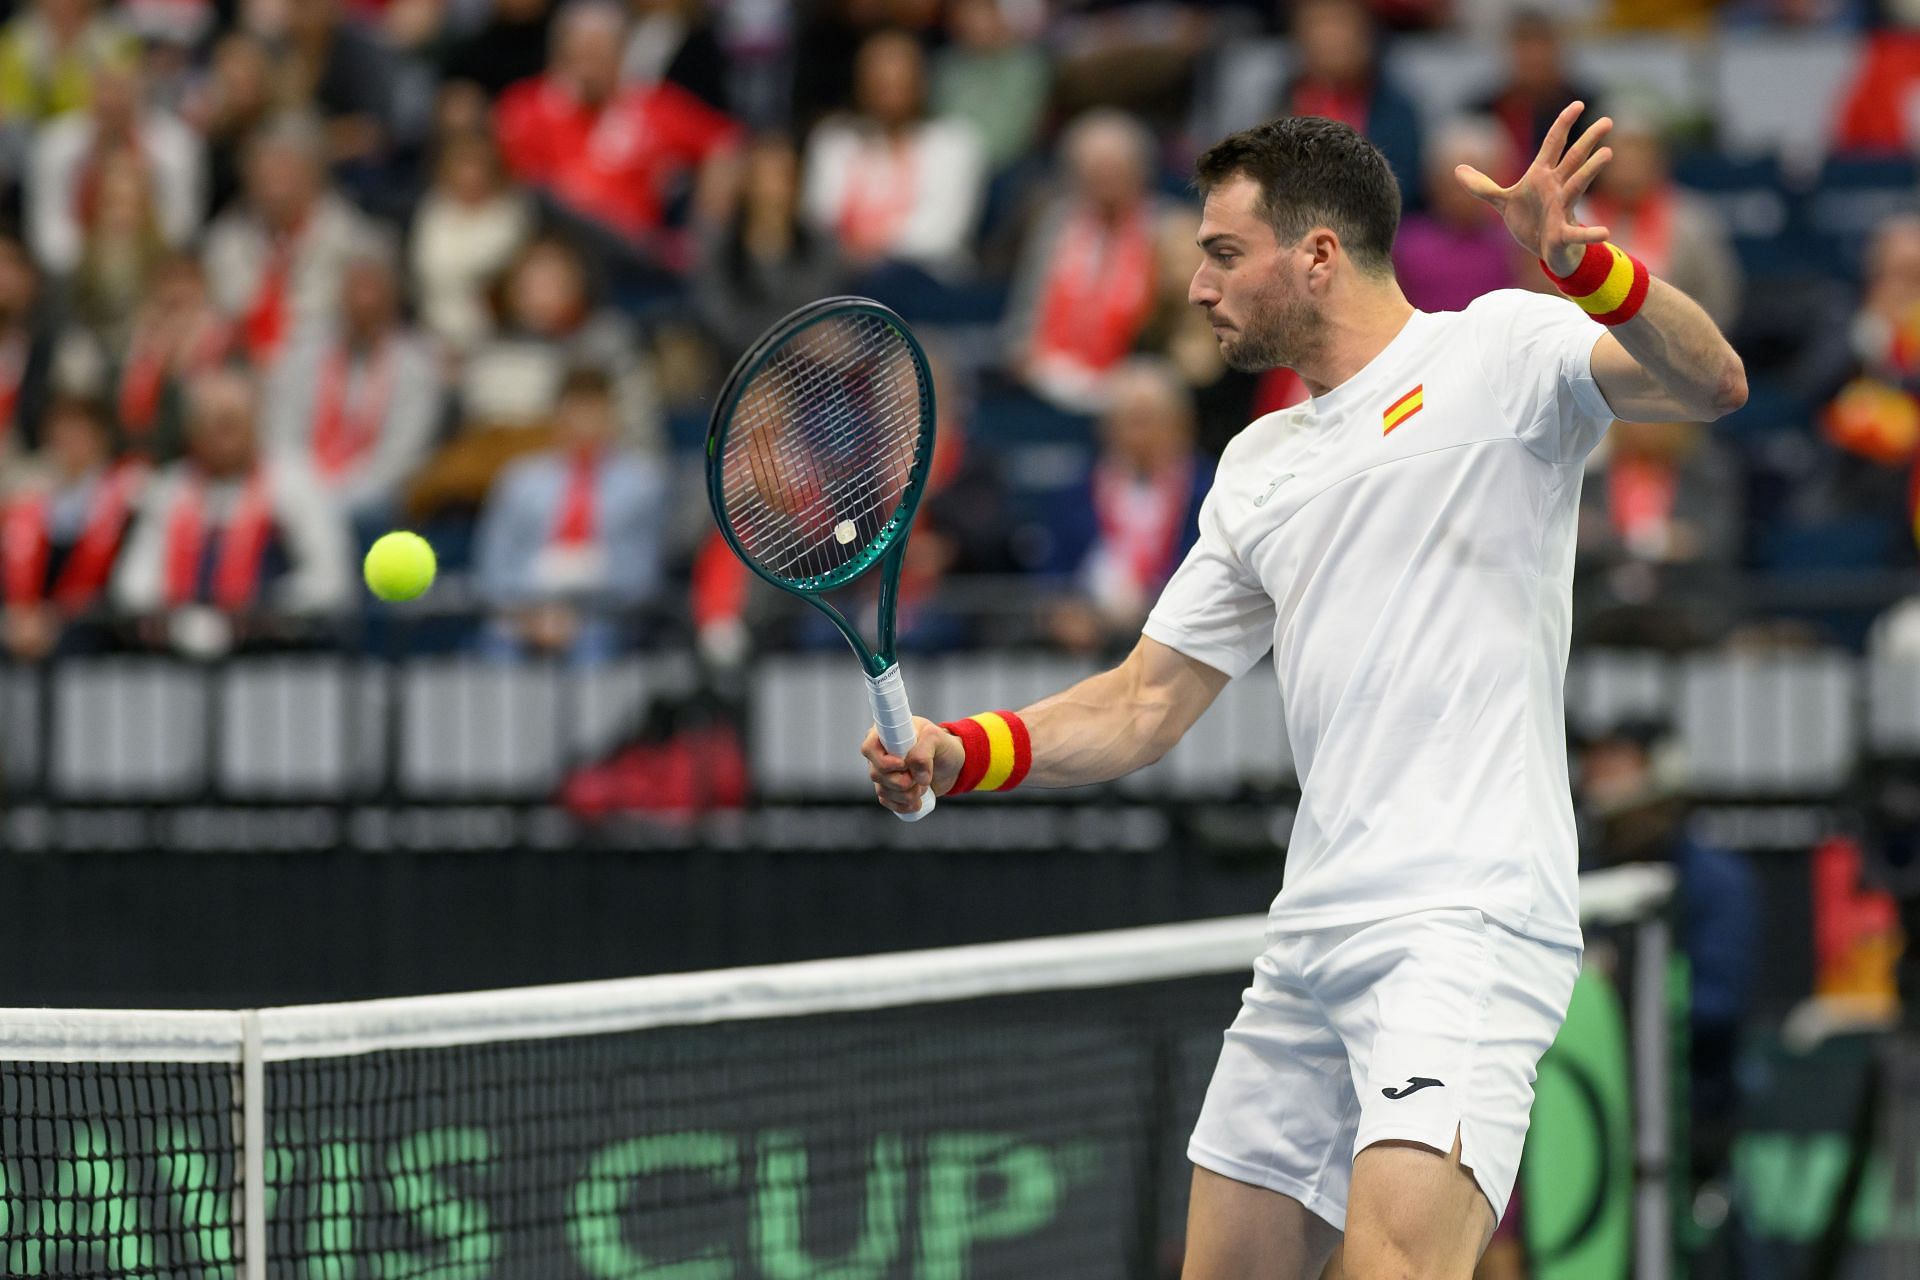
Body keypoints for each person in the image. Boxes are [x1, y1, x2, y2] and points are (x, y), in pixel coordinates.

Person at [860, 107, 1747, 1277]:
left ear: (1317, 254)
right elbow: (1143, 701)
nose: (1194, 288)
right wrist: (962, 749)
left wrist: (1588, 265)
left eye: (1223, 253)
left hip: (1462, 917)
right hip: (1313, 932)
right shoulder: (1257, 465)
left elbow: (1711, 380)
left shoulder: (1501, 353)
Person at [114, 364, 353, 652]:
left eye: (231, 423)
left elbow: (329, 580)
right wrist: (181, 623)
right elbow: (134, 584)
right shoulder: (170, 489)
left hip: (275, 656)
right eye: (209, 425)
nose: (221, 438)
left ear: (255, 423)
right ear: (192, 431)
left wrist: (261, 614)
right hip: (179, 654)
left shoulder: (294, 483)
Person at [493, 0, 739, 248]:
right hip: (555, 249)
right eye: (578, 54)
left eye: (598, 53)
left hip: (632, 257)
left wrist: (711, 204)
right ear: (559, 54)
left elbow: (727, 140)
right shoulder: (526, 107)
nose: (587, 67)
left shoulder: (649, 105)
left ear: (621, 53)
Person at [473, 365, 669, 661]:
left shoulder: (643, 483)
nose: (584, 423)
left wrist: (576, 614)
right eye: (576, 410)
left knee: (592, 647)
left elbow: (641, 577)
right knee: (495, 649)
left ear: (612, 416)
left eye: (594, 411)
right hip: (523, 616)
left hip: (602, 619)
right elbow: (493, 569)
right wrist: (531, 617)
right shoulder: (518, 481)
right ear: (558, 417)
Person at [265, 236, 441, 532]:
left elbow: (402, 456)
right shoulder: (301, 353)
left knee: (377, 511)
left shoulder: (418, 366)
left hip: (374, 498)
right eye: (355, 287)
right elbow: (281, 436)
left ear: (393, 295)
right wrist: (306, 494)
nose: (363, 301)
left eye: (372, 287)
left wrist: (333, 501)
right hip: (299, 490)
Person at [1039, 358, 1212, 654]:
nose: (1139, 436)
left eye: (1148, 421)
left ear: (1180, 425)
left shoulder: (1210, 493)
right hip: (1089, 649)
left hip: (1184, 645)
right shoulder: (1077, 495)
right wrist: (1063, 612)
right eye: (1128, 421)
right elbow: (1050, 573)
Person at [1006, 109, 1174, 412]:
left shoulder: (1165, 228)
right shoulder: (1056, 224)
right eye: (1096, 172)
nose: (1105, 182)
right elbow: (1028, 306)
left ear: (1139, 172)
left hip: (1133, 384)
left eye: (1115, 171)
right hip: (1049, 376)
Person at [802, 28, 985, 277]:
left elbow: (940, 234)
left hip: (927, 282)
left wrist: (868, 246)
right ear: (860, 81)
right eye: (879, 78)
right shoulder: (834, 140)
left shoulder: (954, 143)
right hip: (843, 280)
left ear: (920, 81)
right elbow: (819, 217)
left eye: (899, 77)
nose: (888, 85)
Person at [201, 112, 374, 367]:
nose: (273, 181)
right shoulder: (225, 240)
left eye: (285, 167)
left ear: (314, 174)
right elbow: (221, 313)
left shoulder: (354, 242)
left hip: (324, 369)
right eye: (264, 169)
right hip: (242, 366)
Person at [1, 394, 143, 661]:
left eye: (79, 431)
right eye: (60, 433)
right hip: (29, 630)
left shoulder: (127, 498)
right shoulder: (31, 502)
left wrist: (54, 620)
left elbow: (120, 586)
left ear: (100, 438)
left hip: (90, 632)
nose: (68, 442)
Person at [27, 61, 203, 276]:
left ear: (138, 96)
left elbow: (180, 227)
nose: (112, 102)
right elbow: (48, 235)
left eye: (120, 93)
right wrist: (97, 262)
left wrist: (138, 258)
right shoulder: (54, 144)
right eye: (105, 93)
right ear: (90, 95)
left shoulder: (176, 144)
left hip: (153, 264)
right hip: (77, 269)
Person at [1276, 0, 1423, 207]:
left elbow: (1403, 187)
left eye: (1340, 25)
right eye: (1318, 25)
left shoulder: (1395, 109)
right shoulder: (1283, 99)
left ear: (1366, 35)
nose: (1329, 39)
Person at [409, 128, 534, 355]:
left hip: (493, 338)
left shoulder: (511, 217)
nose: (470, 174)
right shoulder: (432, 210)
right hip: (429, 333)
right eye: (462, 164)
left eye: (476, 165)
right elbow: (425, 270)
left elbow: (495, 278)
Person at [1393, 117, 1524, 313]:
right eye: (1454, 184)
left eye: (1473, 185)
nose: (1462, 195)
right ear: (1434, 181)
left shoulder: (1513, 247)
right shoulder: (1406, 245)